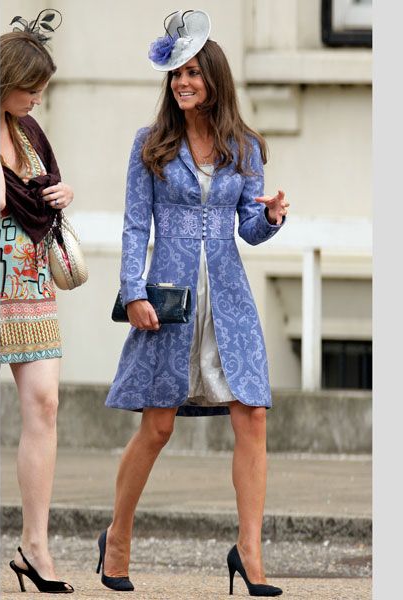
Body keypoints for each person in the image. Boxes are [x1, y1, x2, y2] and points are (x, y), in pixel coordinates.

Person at [100, 9, 289, 597]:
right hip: (170, 300)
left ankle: (250, 552)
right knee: (156, 427)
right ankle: (118, 537)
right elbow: (135, 227)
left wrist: (273, 217)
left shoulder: (245, 145)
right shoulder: (150, 144)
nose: (183, 83)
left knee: (252, 416)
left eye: (193, 74)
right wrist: (132, 291)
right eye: (176, 74)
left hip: (228, 300)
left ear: (214, 80)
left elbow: (249, 229)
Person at [0, 9, 74, 594]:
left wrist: (62, 191)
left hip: (29, 279)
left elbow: (40, 190)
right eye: (33, 89)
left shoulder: (27, 132)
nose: (39, 100)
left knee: (45, 403)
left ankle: (34, 546)